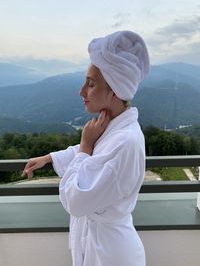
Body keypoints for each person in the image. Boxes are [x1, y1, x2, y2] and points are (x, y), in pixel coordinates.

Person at [22, 30, 150, 266]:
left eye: (90, 84)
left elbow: (75, 201)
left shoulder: (125, 142)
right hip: (102, 244)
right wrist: (50, 157)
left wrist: (85, 145)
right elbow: (96, 155)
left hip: (110, 255)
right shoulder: (114, 129)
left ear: (114, 90)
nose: (81, 91)